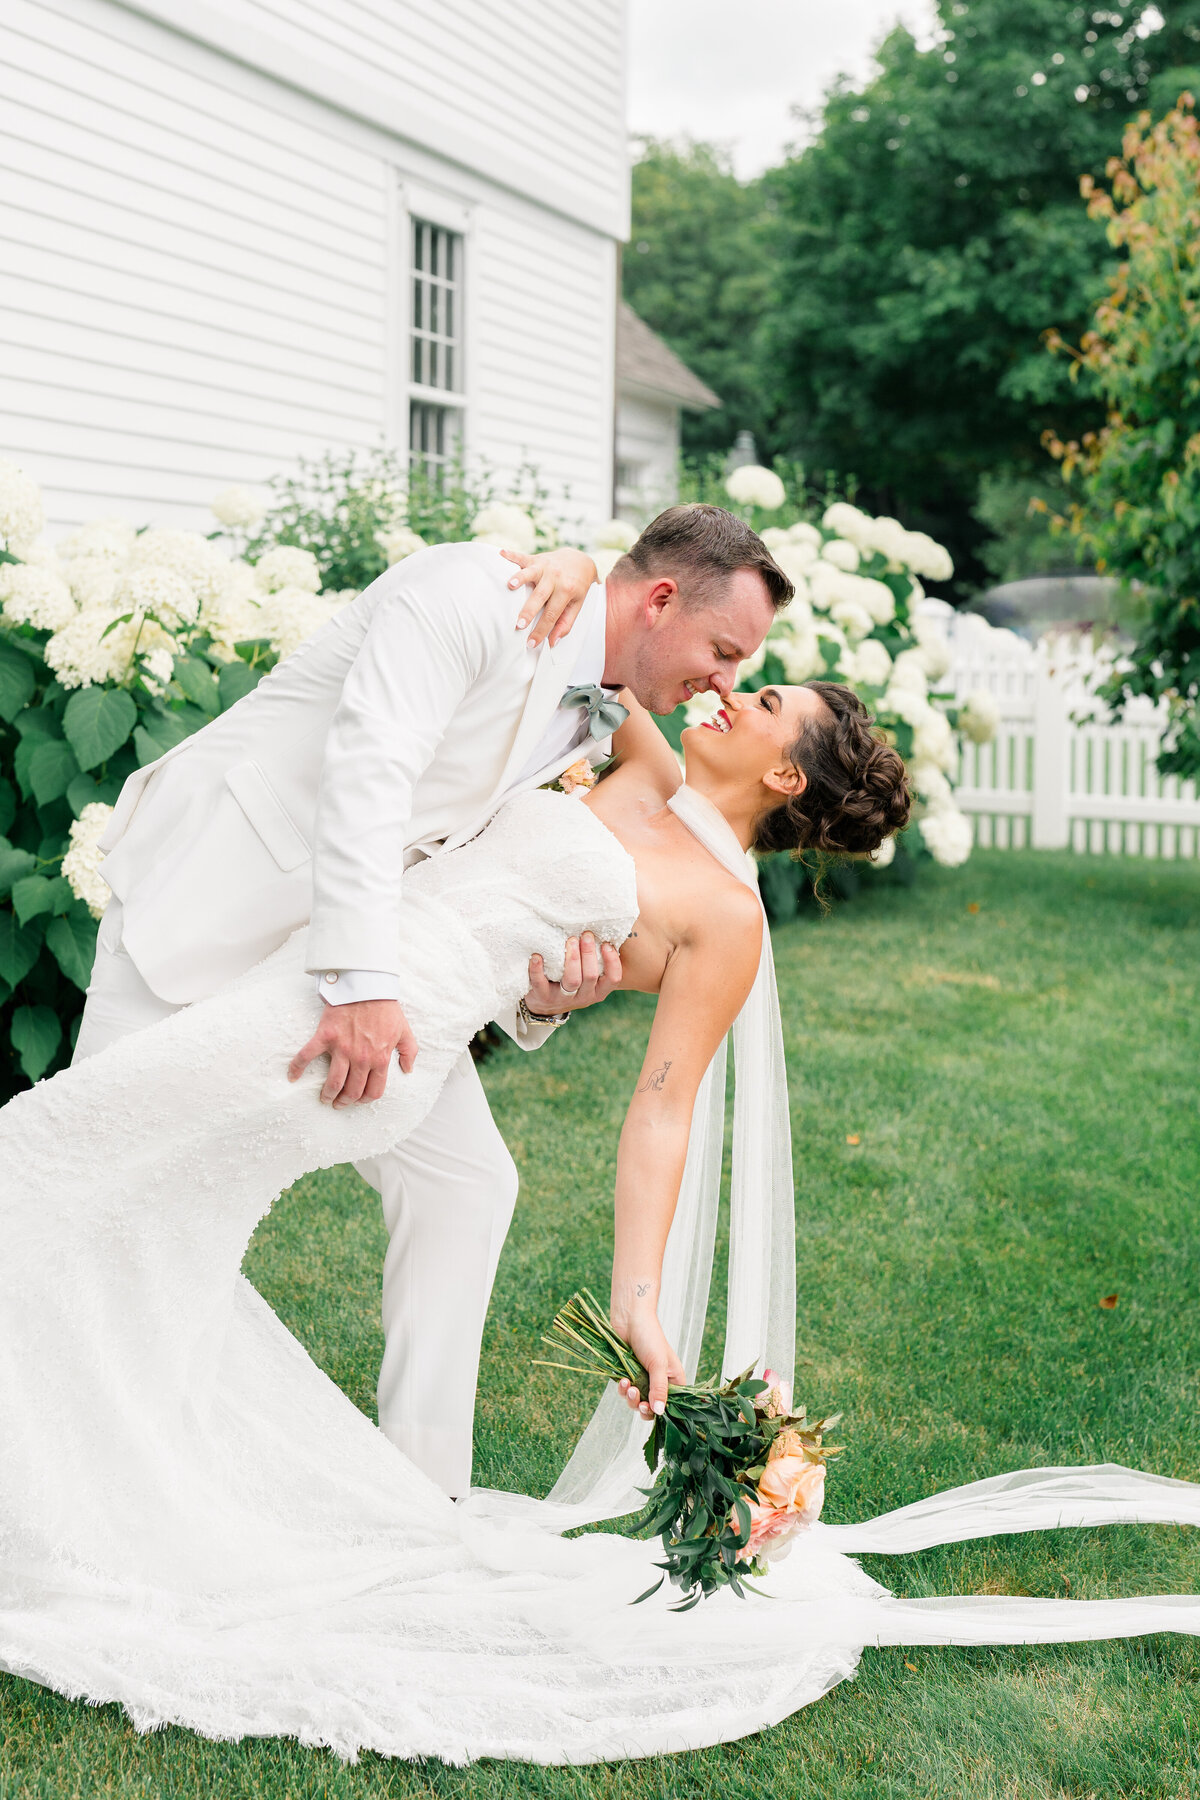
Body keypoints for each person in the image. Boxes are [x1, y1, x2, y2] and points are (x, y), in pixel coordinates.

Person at [3, 674, 1199, 1764]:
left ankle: (104, 1491)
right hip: (344, 969)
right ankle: (196, 1476)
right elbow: (607, 663)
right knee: (104, 1190)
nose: (730, 690)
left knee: (54, 1164)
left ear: (787, 776)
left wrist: (640, 1297)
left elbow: (663, 1107)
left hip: (378, 1034)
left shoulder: (727, 920)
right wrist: (578, 583)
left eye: (764, 698)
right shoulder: (651, 773)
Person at [74, 505, 792, 1496]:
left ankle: (420, 1501)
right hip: (213, 899)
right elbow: (372, 770)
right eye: (723, 651)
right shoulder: (473, 597)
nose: (728, 681)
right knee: (90, 1185)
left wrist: (543, 998)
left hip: (375, 952)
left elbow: (477, 848)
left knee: (466, 1185)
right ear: (661, 600)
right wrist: (361, 984)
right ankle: (71, 1465)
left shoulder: (605, 693)